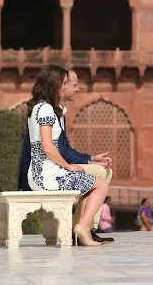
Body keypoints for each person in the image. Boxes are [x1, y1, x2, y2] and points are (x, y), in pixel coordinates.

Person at [18, 65, 114, 245]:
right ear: (54, 85)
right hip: (45, 175)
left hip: (44, 172)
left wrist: (85, 161)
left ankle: (82, 229)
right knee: (100, 185)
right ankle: (82, 228)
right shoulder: (46, 109)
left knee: (92, 182)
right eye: (63, 83)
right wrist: (68, 166)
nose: (66, 86)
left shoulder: (40, 107)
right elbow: (48, 147)